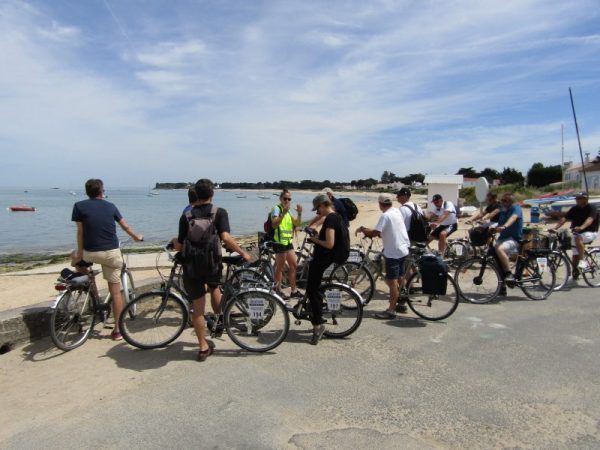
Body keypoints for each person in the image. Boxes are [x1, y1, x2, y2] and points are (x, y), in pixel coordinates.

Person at [172, 179, 252, 361]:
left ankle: (203, 348)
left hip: (191, 266)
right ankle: (220, 320)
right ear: (212, 194)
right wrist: (243, 252)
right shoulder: (219, 212)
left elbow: (180, 246)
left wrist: (173, 241)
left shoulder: (187, 215)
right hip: (212, 263)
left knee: (198, 310)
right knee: (215, 287)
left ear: (195, 195)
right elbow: (225, 237)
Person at [72, 178, 144, 341]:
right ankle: (118, 330)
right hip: (111, 253)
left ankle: (89, 288)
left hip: (90, 252)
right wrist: (137, 237)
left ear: (87, 192)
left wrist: (79, 254)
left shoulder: (79, 206)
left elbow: (80, 232)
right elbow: (125, 226)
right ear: (101, 192)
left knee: (75, 258)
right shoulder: (110, 206)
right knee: (115, 291)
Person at [356, 193, 410, 319]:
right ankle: (401, 302)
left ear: (380, 204)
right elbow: (388, 229)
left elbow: (375, 233)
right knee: (400, 277)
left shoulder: (385, 216)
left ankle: (391, 310)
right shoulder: (396, 211)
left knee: (392, 282)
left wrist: (363, 229)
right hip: (403, 249)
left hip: (393, 252)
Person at [305, 194, 345, 345]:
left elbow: (329, 244)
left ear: (323, 205)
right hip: (327, 258)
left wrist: (313, 239)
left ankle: (317, 326)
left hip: (323, 259)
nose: (317, 213)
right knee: (316, 290)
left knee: (311, 290)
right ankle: (317, 314)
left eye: (318, 209)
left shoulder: (330, 219)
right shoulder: (337, 216)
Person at [552, 192, 598, 283]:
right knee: (574, 254)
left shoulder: (591, 208)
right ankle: (575, 273)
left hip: (590, 232)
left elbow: (590, 220)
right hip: (577, 233)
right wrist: (555, 227)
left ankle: (582, 262)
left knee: (578, 238)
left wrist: (581, 227)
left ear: (586, 199)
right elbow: (565, 218)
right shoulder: (574, 209)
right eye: (576, 198)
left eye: (580, 198)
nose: (577, 200)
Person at [270, 189, 303, 299]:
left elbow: (297, 224)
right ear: (280, 199)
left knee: (294, 265)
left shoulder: (288, 211)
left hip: (288, 242)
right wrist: (283, 213)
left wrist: (299, 213)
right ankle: (277, 291)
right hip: (279, 242)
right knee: (280, 268)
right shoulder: (277, 209)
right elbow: (274, 224)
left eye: (289, 199)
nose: (287, 200)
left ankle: (293, 290)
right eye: (285, 198)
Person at [494, 192, 523, 294]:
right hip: (503, 238)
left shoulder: (516, 208)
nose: (502, 202)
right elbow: (498, 223)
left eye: (505, 200)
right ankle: (502, 286)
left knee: (499, 249)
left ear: (511, 201)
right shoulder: (503, 211)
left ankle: (509, 274)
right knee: (495, 260)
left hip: (514, 239)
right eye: (502, 200)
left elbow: (513, 218)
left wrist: (504, 226)